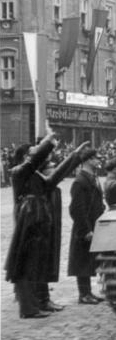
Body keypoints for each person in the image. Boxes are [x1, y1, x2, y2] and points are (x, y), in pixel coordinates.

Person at [4, 133, 91, 318]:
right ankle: (28, 308)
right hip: (27, 226)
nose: (35, 154)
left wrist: (75, 156)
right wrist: (48, 143)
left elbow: (55, 178)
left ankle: (35, 304)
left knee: (34, 264)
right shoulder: (18, 172)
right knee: (25, 266)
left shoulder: (33, 175)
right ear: (24, 157)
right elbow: (33, 162)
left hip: (36, 224)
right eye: (31, 152)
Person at [67, 148, 106, 304]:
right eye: (97, 158)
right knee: (82, 261)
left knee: (88, 260)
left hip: (93, 225)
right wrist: (86, 230)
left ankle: (88, 292)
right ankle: (83, 294)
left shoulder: (91, 177)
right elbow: (77, 209)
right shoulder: (80, 181)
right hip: (84, 229)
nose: (99, 161)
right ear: (89, 160)